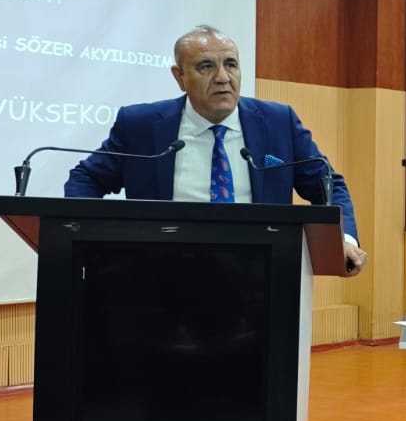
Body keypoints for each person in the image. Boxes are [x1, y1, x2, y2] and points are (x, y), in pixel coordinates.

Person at [65, 25, 368, 275]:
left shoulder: (278, 122)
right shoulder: (141, 126)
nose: (223, 77)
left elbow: (328, 186)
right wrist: (90, 239)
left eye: (231, 65)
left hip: (260, 275)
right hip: (160, 274)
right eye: (206, 66)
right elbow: (86, 178)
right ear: (180, 77)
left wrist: (343, 239)